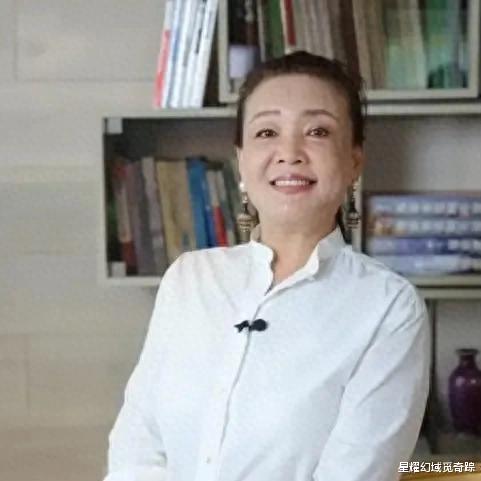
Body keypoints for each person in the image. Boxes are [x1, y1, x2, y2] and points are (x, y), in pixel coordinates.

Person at [103, 51, 431, 481]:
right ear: (241, 158)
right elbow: (137, 446)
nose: (289, 153)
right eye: (267, 132)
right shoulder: (189, 279)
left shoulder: (388, 307)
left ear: (354, 159)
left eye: (317, 131)